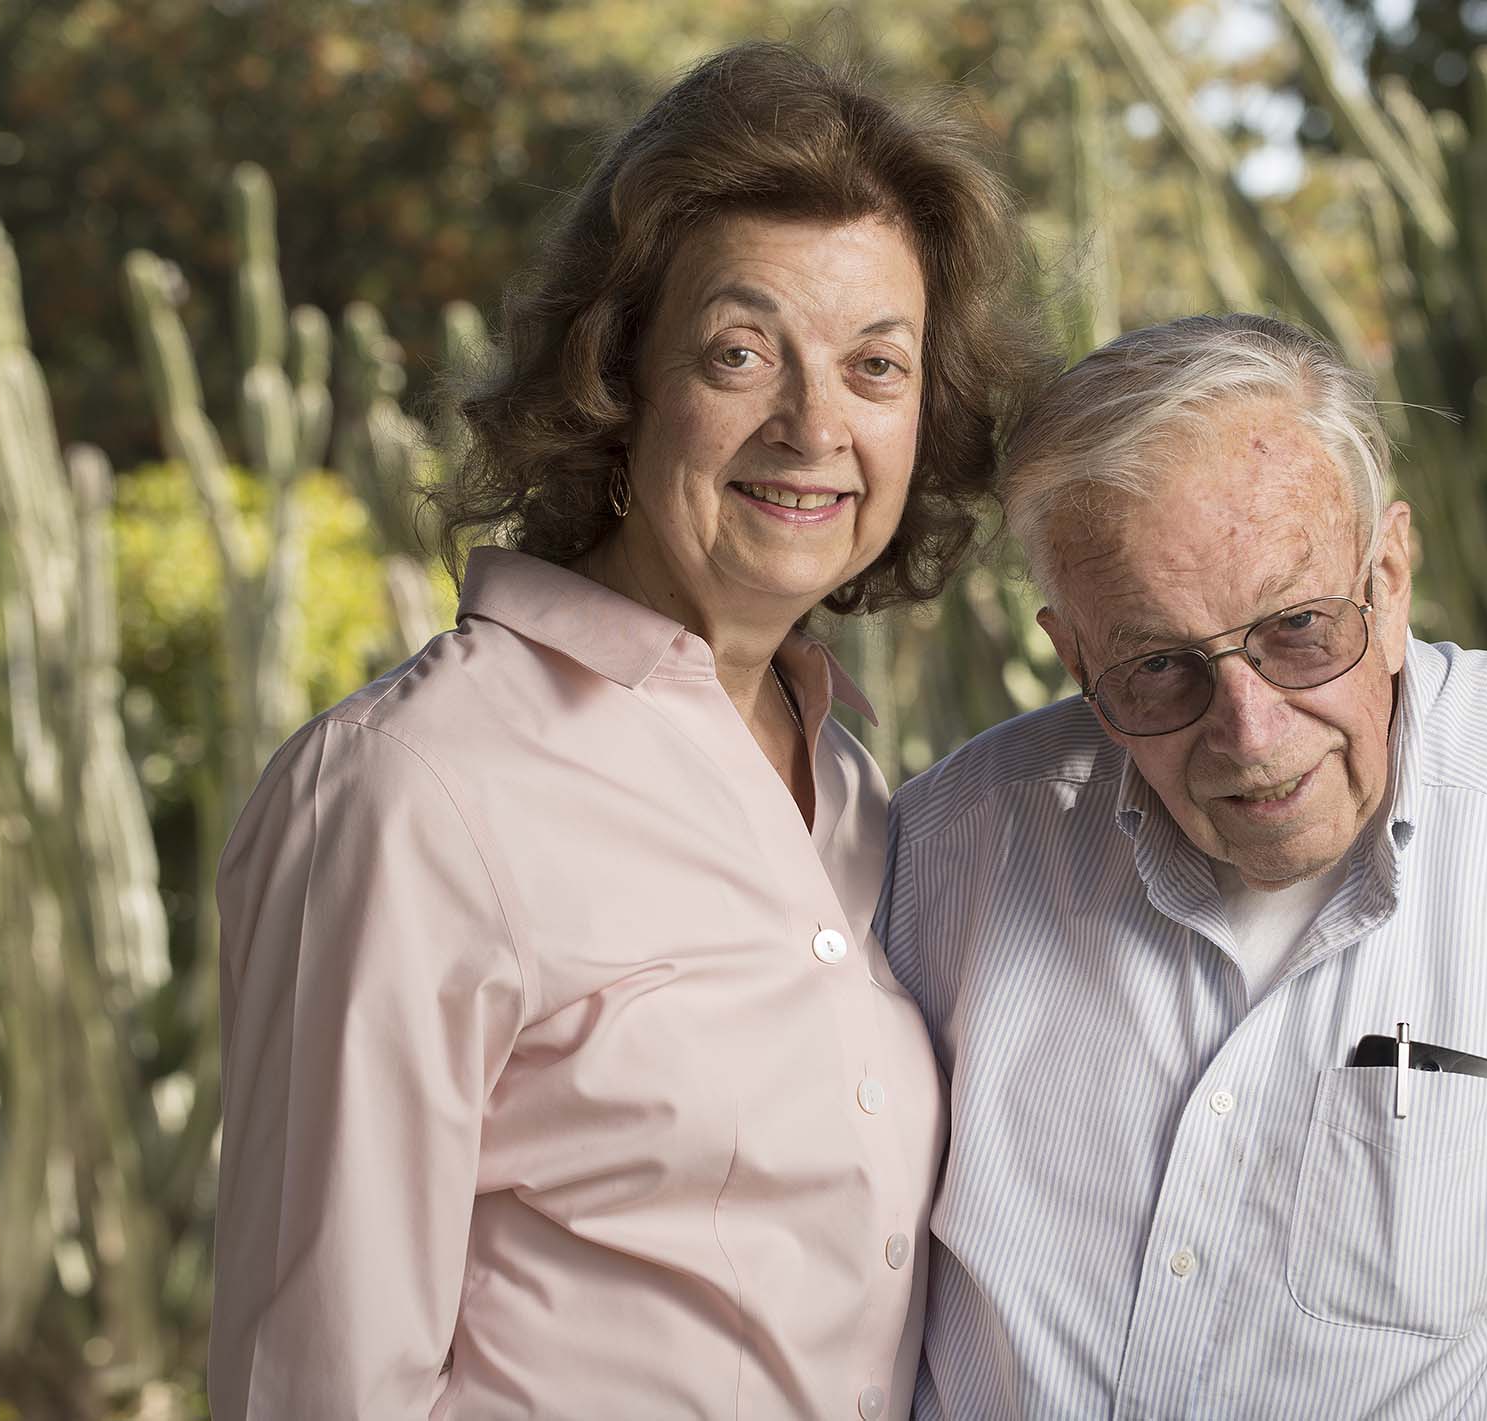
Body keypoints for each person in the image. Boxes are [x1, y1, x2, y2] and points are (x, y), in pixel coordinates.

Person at [208, 42, 1053, 1420]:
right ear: (619, 375)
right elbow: (317, 1384)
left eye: (877, 367)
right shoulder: (416, 790)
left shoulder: (848, 786)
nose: (814, 424)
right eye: (740, 352)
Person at [877, 313, 1487, 1419]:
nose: (1250, 733)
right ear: (1074, 654)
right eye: (1159, 667)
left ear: (1390, 576)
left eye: (1300, 628)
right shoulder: (947, 849)